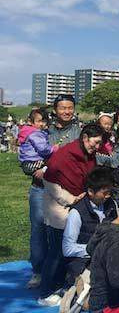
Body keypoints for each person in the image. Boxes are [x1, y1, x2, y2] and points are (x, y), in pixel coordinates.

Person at [39, 123, 103, 306]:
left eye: (100, 143)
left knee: (66, 252)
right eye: (95, 142)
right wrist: (71, 199)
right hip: (59, 207)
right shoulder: (65, 154)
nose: (97, 147)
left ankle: (59, 285)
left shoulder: (88, 155)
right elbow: (49, 180)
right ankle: (45, 292)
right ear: (85, 138)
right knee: (56, 251)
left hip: (77, 206)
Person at [18, 108, 56, 289]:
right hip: (40, 186)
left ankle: (56, 270)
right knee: (39, 228)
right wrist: (55, 151)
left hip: (61, 188)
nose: (42, 124)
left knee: (57, 230)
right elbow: (45, 151)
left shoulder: (74, 130)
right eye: (39, 121)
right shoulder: (37, 134)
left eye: (44, 121)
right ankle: (39, 270)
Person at [62, 167, 118, 284]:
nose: (108, 196)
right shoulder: (76, 213)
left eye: (110, 193)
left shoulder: (111, 205)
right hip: (82, 263)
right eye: (105, 193)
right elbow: (68, 249)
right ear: (91, 192)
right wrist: (96, 249)